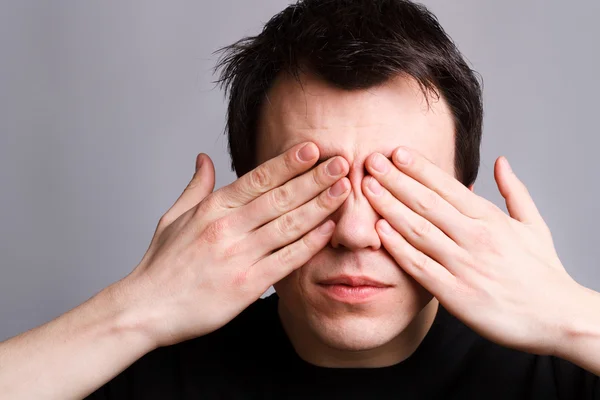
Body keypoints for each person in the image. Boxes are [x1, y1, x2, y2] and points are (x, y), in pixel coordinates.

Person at [1, 0, 599, 398]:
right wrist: (136, 310)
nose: (355, 232)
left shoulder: (564, 367)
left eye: (399, 187)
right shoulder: (139, 366)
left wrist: (574, 318)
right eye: (308, 186)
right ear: (242, 198)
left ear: (464, 200)